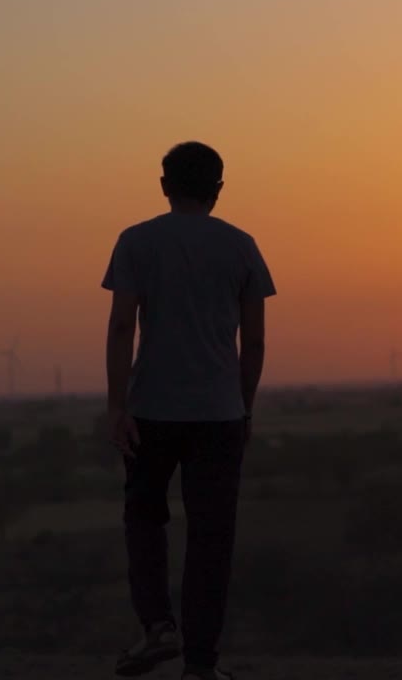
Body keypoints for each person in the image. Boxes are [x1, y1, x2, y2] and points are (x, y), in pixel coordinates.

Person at [103, 141, 275, 680]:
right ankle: (200, 665)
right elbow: (255, 344)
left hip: (151, 407)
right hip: (218, 415)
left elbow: (121, 327)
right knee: (211, 538)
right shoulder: (242, 247)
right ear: (219, 189)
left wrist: (117, 405)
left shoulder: (136, 241)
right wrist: (243, 408)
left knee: (144, 519)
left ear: (163, 185)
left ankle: (157, 627)